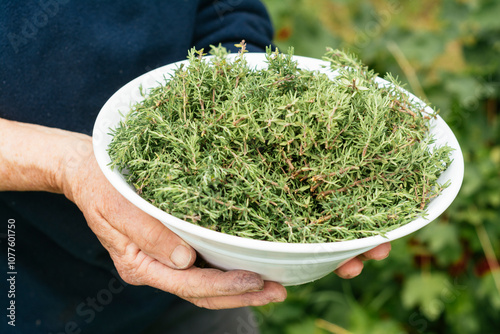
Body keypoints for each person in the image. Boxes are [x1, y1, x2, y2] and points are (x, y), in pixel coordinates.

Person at [0, 1, 391, 333]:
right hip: (23, 281)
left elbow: (229, 12)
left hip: (207, 255)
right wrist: (65, 164)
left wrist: (241, 88)